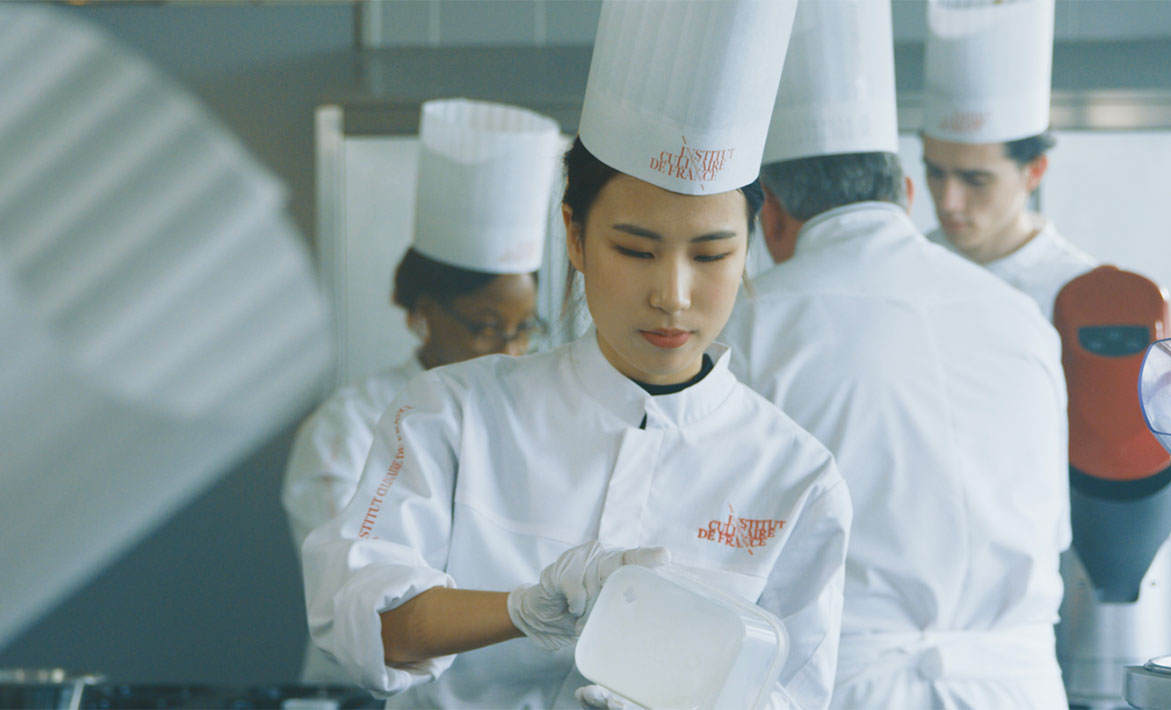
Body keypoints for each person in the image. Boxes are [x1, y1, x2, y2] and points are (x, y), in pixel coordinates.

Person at [302, 1, 852, 707]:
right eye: (635, 249)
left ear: (751, 241)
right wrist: (520, 609)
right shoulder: (452, 414)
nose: (673, 296)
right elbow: (362, 621)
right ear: (574, 233)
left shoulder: (797, 475)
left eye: (713, 253)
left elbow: (798, 693)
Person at [719, 0, 1071, 706]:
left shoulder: (753, 320)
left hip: (850, 685)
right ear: (906, 193)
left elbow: (721, 543)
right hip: (1022, 686)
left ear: (773, 215)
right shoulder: (1022, 319)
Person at [282, 97, 559, 684]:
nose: (509, 350)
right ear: (424, 314)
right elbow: (356, 591)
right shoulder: (347, 425)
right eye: (487, 326)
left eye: (523, 328)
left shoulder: (547, 419)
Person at [920, 0, 1095, 321]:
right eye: (935, 172)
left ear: (1034, 171)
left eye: (975, 179)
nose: (948, 202)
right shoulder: (909, 267)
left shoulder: (1077, 292)